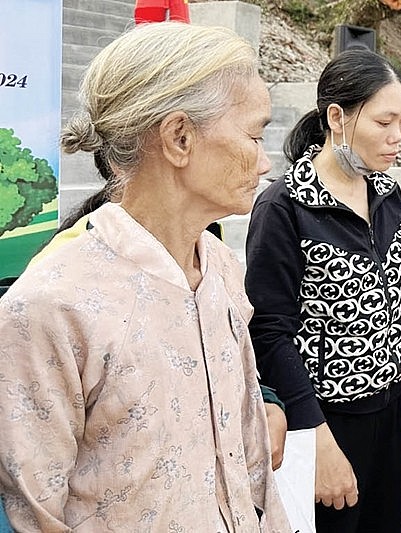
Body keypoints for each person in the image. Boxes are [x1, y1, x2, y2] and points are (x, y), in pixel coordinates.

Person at [0, 22, 290, 531]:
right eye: (254, 134)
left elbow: (247, 465)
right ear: (179, 138)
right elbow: (36, 512)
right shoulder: (51, 305)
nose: (265, 160)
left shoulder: (220, 264)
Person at [245, 49, 401, 533]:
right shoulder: (284, 208)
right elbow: (271, 332)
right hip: (327, 418)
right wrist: (315, 438)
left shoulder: (386, 192)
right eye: (384, 122)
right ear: (337, 117)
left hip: (393, 409)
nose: (398, 138)